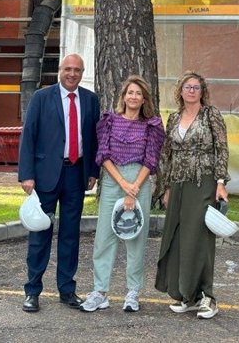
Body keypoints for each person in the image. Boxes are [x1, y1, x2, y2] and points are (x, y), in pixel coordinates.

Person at [18, 53, 100, 313]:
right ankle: (32, 291)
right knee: (40, 234)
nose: (72, 74)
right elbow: (28, 135)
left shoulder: (90, 100)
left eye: (77, 70)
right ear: (60, 71)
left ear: (82, 72)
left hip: (76, 174)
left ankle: (67, 289)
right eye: (68, 69)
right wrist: (26, 174)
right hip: (45, 176)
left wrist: (93, 172)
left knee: (70, 235)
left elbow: (93, 139)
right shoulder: (42, 98)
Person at [79, 75, 165, 313]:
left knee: (135, 235)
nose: (134, 97)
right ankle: (100, 292)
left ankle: (133, 292)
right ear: (123, 96)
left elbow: (151, 159)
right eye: (130, 92)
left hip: (140, 180)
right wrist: (122, 184)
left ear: (144, 98)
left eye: (138, 93)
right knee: (104, 236)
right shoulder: (109, 121)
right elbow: (103, 155)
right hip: (112, 180)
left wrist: (134, 187)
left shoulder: (152, 125)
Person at [154, 70, 230, 319]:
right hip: (178, 184)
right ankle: (187, 295)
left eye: (196, 87)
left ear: (202, 91)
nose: (191, 91)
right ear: (180, 90)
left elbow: (222, 147)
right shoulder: (173, 118)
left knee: (199, 239)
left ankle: (208, 297)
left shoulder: (211, 115)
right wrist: (164, 188)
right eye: (187, 86)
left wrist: (220, 182)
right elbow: (166, 155)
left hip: (203, 183)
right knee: (177, 239)